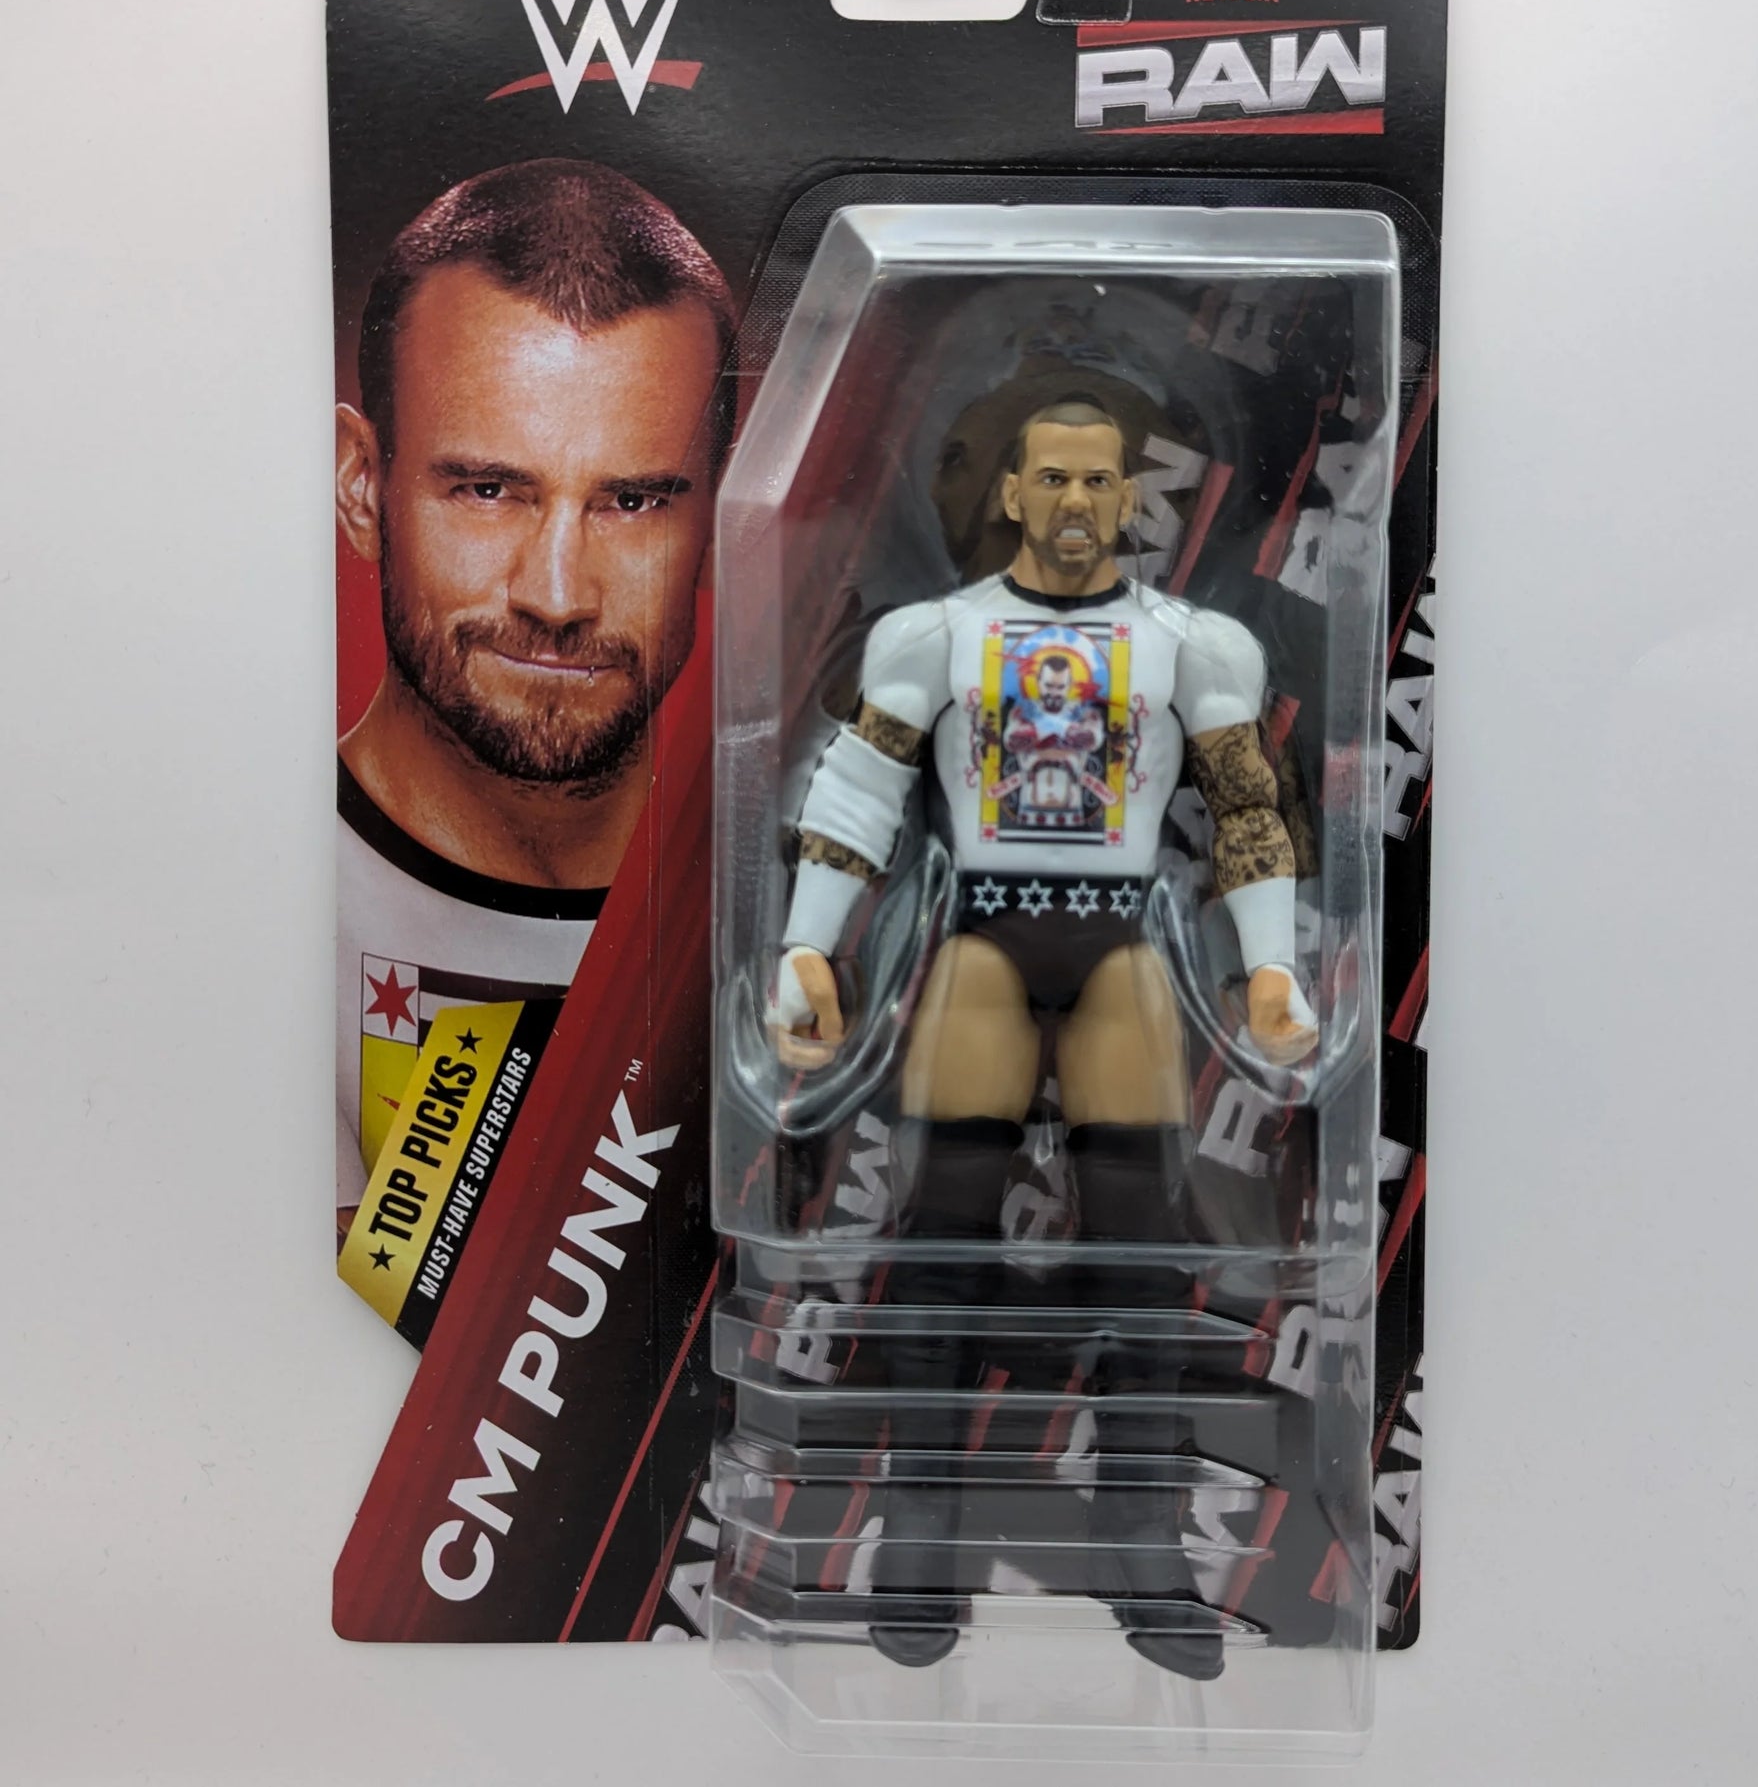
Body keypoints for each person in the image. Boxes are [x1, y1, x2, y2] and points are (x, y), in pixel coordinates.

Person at [770, 395, 1317, 1679]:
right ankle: (918, 1534)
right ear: (1012, 493)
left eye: (1098, 481)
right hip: (983, 938)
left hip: (1119, 940)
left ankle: (1143, 1541)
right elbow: (860, 786)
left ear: (1131, 496)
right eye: (1053, 479)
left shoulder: (1191, 645)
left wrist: (1271, 969)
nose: (1076, 503)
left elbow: (1246, 805)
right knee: (938, 1237)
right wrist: (807, 948)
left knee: (1141, 1249)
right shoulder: (936, 636)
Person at [334, 158, 730, 1218]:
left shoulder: (805, 904)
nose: (557, 596)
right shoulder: (243, 914)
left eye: (633, 502)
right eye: (487, 489)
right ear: (361, 485)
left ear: (724, 515)